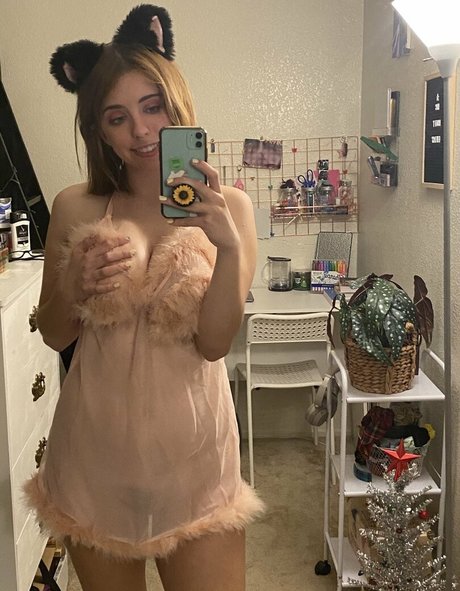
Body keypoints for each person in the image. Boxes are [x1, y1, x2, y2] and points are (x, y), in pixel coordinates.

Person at [24, 5, 263, 591]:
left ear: (177, 104)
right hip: (91, 464)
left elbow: (214, 344)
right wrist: (74, 286)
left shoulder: (231, 209)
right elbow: (54, 333)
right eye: (117, 117)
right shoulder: (75, 207)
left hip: (198, 466)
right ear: (99, 131)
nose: (140, 130)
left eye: (153, 106)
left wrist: (228, 248)